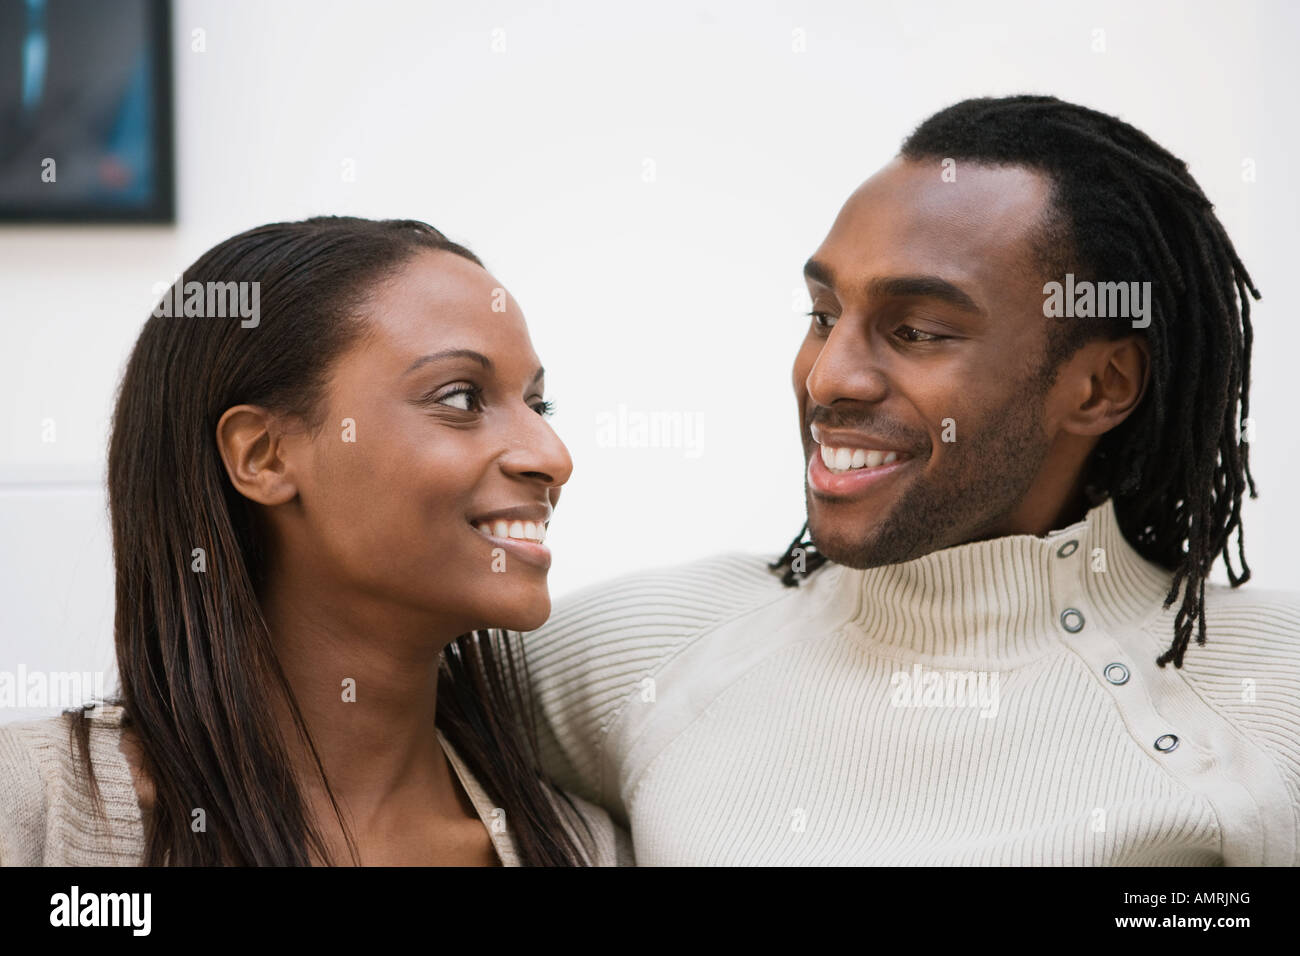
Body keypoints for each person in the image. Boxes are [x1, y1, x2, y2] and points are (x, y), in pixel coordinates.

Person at [522, 95, 1300, 865]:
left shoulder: (1271, 697)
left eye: (918, 332)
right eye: (823, 315)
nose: (830, 378)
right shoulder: (646, 654)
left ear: (1098, 387)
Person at [0, 216, 631, 866]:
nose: (552, 456)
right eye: (462, 397)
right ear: (264, 455)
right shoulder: (29, 808)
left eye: (538, 406)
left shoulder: (590, 849)